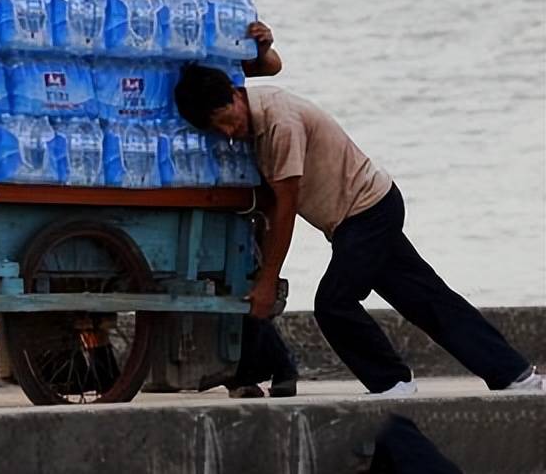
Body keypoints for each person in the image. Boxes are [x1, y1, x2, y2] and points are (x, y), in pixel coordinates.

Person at [172, 64, 544, 397]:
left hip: (367, 212)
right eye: (218, 130)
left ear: (237, 94)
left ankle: (392, 381)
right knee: (429, 301)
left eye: (227, 118)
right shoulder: (257, 123)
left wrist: (269, 280)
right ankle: (516, 375)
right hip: (363, 214)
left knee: (333, 304)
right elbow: (270, 205)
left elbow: (286, 207)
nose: (229, 131)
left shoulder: (279, 123)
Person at [227, 21, 300, 400]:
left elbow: (269, 65)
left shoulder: (211, 51)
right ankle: (249, 371)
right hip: (211, 168)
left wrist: (262, 45)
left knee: (247, 272)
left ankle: (273, 365)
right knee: (235, 272)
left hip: (241, 169)